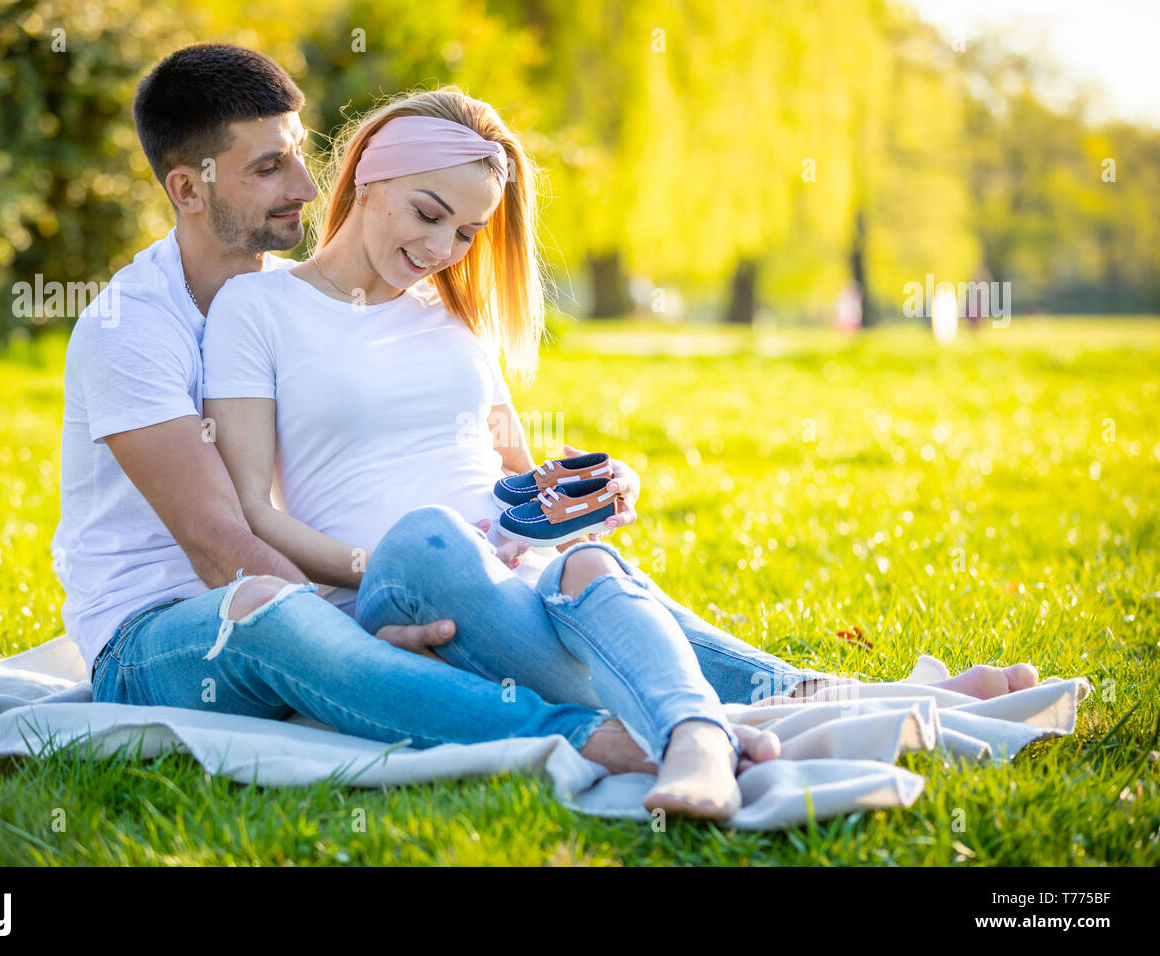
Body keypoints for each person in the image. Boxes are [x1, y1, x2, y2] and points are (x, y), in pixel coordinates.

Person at [199, 88, 1045, 818]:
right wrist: (377, 559)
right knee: (434, 535)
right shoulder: (259, 307)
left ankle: (791, 714)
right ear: (372, 176)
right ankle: (723, 713)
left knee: (585, 570)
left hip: (511, 573)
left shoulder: (452, 318)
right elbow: (255, 512)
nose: (444, 248)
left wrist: (587, 494)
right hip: (392, 583)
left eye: (468, 230)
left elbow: (513, 483)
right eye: (429, 213)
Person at [52, 42, 716, 784]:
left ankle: (729, 699)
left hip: (302, 589)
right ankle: (574, 737)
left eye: (300, 155)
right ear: (189, 188)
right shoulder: (132, 328)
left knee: (571, 580)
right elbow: (219, 543)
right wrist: (364, 634)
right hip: (157, 637)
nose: (306, 184)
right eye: (269, 167)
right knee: (266, 610)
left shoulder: (288, 297)